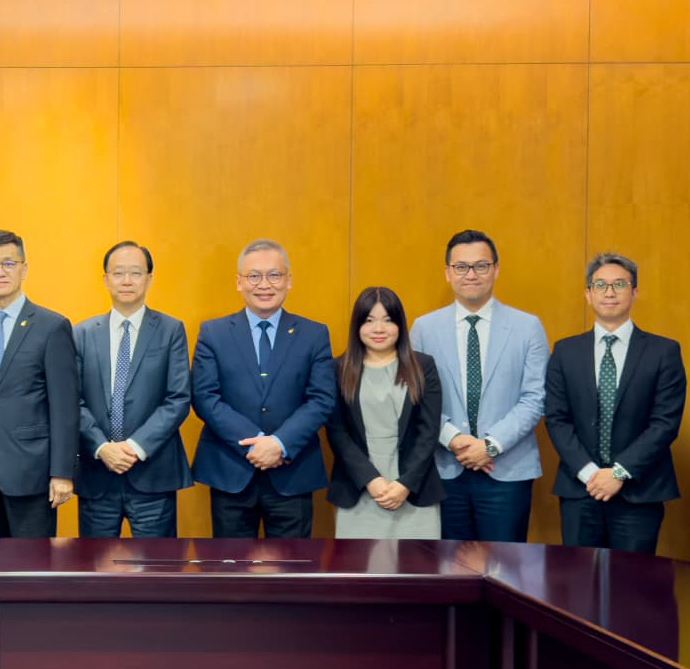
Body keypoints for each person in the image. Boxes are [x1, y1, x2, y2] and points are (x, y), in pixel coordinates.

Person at [191, 239, 335, 539]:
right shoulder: (213, 333)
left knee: (291, 565)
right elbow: (205, 397)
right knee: (231, 565)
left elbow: (321, 399)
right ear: (239, 282)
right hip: (231, 471)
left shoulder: (314, 333)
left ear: (289, 280)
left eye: (274, 275)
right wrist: (257, 443)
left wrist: (279, 443)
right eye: (254, 276)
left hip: (292, 472)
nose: (264, 285)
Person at [411, 230, 548, 542]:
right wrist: (454, 439)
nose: (471, 275)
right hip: (445, 468)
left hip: (507, 470)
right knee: (447, 565)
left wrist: (489, 445)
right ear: (448, 273)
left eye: (481, 266)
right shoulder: (424, 328)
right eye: (461, 267)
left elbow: (534, 398)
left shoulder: (528, 327)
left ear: (496, 269)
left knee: (505, 564)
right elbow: (416, 397)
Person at [545, 253, 685, 554]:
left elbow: (665, 423)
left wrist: (619, 473)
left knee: (633, 580)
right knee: (578, 578)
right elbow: (556, 419)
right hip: (580, 489)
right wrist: (590, 474)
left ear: (635, 292)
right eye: (600, 285)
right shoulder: (565, 351)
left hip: (639, 491)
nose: (609, 292)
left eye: (619, 284)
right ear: (588, 293)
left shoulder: (663, 351)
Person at [0, 229, 79, 538]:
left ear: (24, 269)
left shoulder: (51, 326)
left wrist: (62, 473)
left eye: (9, 263)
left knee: (31, 563)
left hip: (32, 472)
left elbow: (65, 408)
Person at [73, 241, 191, 538]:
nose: (127, 281)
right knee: (94, 564)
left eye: (136, 273)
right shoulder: (82, 333)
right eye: (118, 273)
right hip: (97, 474)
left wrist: (134, 448)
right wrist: (102, 447)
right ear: (105, 279)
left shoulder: (170, 330)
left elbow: (178, 398)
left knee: (157, 565)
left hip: (153, 473)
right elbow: (72, 400)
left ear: (149, 279)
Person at [325, 287, 444, 539]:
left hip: (414, 489)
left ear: (400, 325)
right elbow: (337, 432)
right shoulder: (338, 369)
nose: (378, 329)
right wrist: (370, 479)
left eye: (388, 320)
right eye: (369, 321)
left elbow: (429, 430)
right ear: (357, 326)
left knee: (416, 562)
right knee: (358, 563)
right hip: (359, 488)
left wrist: (405, 484)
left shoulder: (423, 366)